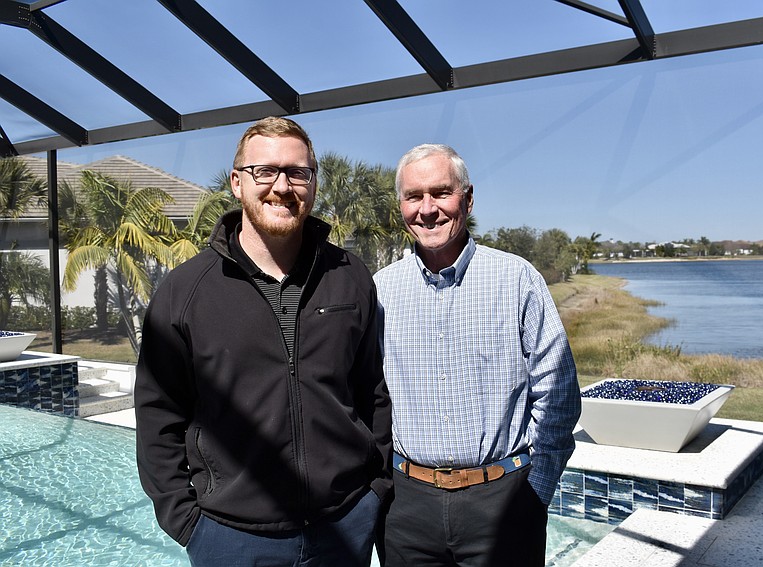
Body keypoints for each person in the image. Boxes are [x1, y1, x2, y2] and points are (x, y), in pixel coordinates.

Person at [134, 116, 392, 567]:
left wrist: (375, 490)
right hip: (230, 538)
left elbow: (373, 388)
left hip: (344, 525)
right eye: (265, 171)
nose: (282, 185)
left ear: (313, 183)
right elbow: (159, 413)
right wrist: (187, 522)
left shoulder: (349, 277)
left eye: (298, 172)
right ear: (237, 183)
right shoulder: (186, 290)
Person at [374, 144, 581, 566]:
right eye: (414, 196)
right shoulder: (379, 290)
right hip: (406, 507)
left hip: (502, 501)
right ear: (401, 206)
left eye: (441, 193)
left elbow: (558, 393)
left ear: (467, 198)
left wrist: (535, 491)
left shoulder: (516, 279)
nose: (427, 209)